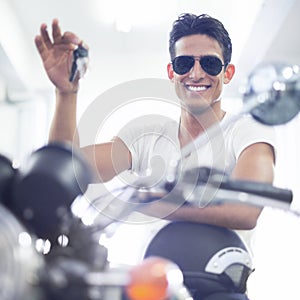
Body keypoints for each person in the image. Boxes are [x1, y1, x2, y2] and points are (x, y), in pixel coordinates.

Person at [35, 13, 276, 298]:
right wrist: (66, 93)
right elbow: (65, 171)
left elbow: (247, 210)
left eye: (210, 63)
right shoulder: (147, 133)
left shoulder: (246, 130)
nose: (196, 74)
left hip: (220, 289)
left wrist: (149, 202)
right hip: (155, 287)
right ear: (172, 71)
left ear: (228, 72)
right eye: (184, 63)